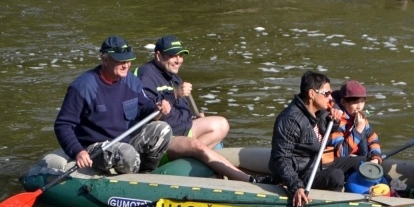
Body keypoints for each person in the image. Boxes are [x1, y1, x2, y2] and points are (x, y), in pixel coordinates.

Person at [135, 35, 261, 183]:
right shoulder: (145, 74)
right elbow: (147, 113)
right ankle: (247, 180)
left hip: (182, 127)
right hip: (163, 137)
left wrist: (193, 118)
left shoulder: (173, 77)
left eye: (181, 55)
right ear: (158, 55)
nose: (178, 60)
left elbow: (180, 111)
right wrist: (175, 94)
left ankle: (192, 158)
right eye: (172, 55)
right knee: (196, 146)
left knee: (221, 124)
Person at [54, 35, 173, 174]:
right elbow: (63, 125)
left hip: (125, 140)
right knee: (126, 154)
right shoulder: (83, 87)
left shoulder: (131, 81)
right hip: (96, 147)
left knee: (163, 129)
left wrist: (157, 108)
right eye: (120, 61)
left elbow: (144, 108)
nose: (126, 65)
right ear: (105, 59)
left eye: (128, 60)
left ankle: (146, 173)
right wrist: (78, 151)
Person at [270, 70, 363, 207]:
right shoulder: (290, 120)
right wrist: (296, 186)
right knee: (336, 176)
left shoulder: (320, 113)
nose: (331, 98)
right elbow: (281, 158)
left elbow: (326, 137)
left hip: (317, 164)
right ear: (312, 94)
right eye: (326, 94)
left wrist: (335, 121)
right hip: (301, 174)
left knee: (360, 161)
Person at [329, 79, 383, 164]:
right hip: (344, 163)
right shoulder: (336, 121)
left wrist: (375, 156)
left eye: (362, 102)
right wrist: (357, 130)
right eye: (355, 103)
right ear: (343, 102)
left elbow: (373, 139)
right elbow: (341, 153)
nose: (359, 107)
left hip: (362, 157)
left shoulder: (361, 118)